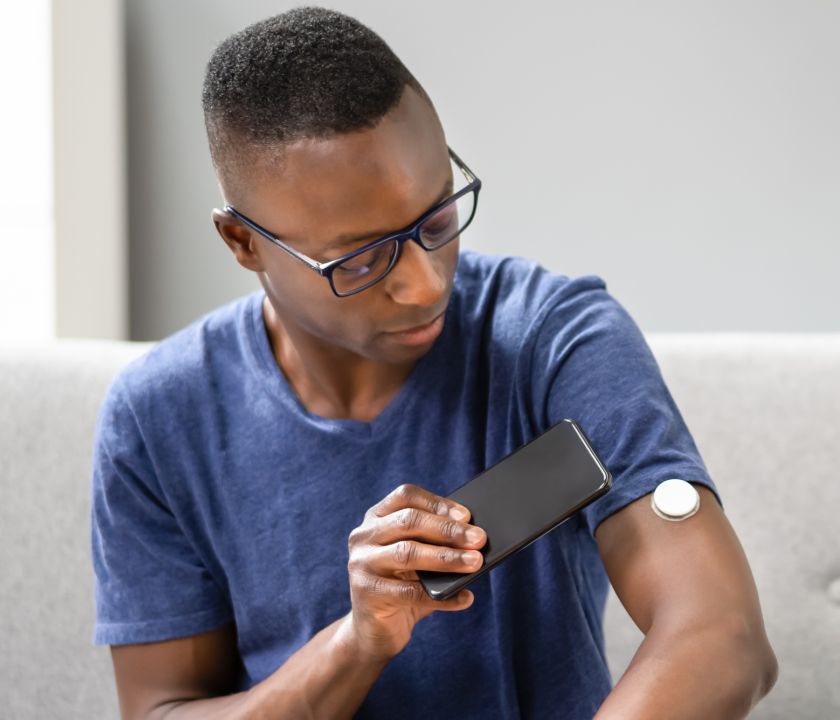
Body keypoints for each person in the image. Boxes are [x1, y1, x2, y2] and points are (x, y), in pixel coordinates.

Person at [91, 7, 777, 719]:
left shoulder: (555, 338)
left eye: (438, 220)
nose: (426, 284)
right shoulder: (157, 416)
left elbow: (721, 636)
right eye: (361, 258)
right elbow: (160, 711)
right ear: (243, 243)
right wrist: (356, 645)